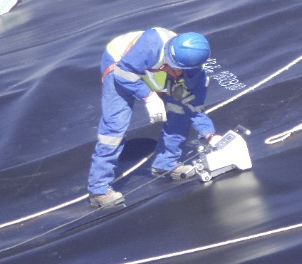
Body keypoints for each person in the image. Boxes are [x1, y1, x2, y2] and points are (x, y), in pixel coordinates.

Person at [87, 27, 219, 208]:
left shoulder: (196, 71)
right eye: (171, 65)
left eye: (177, 69)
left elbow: (194, 105)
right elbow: (122, 74)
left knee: (179, 111)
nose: (172, 70)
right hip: (120, 65)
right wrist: (149, 97)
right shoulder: (151, 44)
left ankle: (166, 163)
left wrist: (209, 134)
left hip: (152, 71)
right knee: (114, 127)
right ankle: (99, 189)